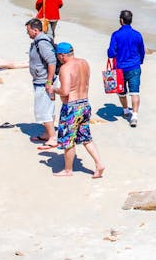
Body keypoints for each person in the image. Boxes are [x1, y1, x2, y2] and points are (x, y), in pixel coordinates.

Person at [52, 42, 105, 178]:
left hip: (72, 107)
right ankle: (99, 164)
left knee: (68, 140)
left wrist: (53, 89)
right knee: (86, 137)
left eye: (58, 56)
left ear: (62, 55)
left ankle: (68, 170)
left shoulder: (65, 68)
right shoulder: (84, 63)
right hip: (84, 104)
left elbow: (64, 91)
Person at [107, 10, 145, 127]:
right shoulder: (137, 34)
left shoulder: (116, 35)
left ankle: (125, 111)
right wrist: (140, 61)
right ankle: (134, 116)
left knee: (122, 92)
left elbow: (111, 53)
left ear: (121, 20)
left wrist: (109, 52)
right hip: (134, 67)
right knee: (135, 92)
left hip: (120, 69)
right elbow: (142, 51)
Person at [25, 18, 59, 146]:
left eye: (28, 31)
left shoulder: (42, 42)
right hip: (42, 80)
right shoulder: (38, 41)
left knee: (43, 109)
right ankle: (47, 134)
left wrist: (49, 81)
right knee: (48, 108)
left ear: (35, 30)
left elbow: (51, 61)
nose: (27, 33)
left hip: (44, 81)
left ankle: (52, 137)